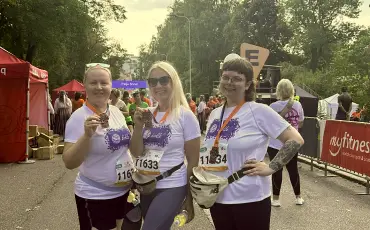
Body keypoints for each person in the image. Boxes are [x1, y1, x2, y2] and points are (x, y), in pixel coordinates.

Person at [200, 55, 304, 230]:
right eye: (225, 77)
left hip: (249, 199)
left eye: (237, 79)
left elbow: (295, 139)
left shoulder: (259, 111)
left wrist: (272, 167)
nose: (229, 82)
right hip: (218, 198)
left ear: (248, 84)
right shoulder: (215, 114)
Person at [129, 61, 200, 230]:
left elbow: (193, 162)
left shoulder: (185, 116)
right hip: (146, 185)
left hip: (172, 185)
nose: (158, 86)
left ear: (173, 82)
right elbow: (137, 152)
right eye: (153, 82)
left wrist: (189, 200)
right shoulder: (147, 114)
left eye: (163, 80)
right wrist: (138, 127)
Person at [62, 64, 134, 230]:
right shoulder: (78, 118)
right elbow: (69, 162)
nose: (99, 87)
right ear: (85, 85)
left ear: (111, 86)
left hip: (126, 194)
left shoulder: (116, 112)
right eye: (93, 83)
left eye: (104, 83)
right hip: (96, 196)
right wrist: (87, 136)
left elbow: (125, 149)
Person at [268, 79, 305, 207]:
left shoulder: (273, 107)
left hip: (275, 143)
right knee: (293, 170)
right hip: (292, 143)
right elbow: (301, 122)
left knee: (276, 171)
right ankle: (298, 197)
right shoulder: (297, 105)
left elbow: (270, 125)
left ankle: (276, 199)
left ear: (278, 91)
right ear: (291, 90)